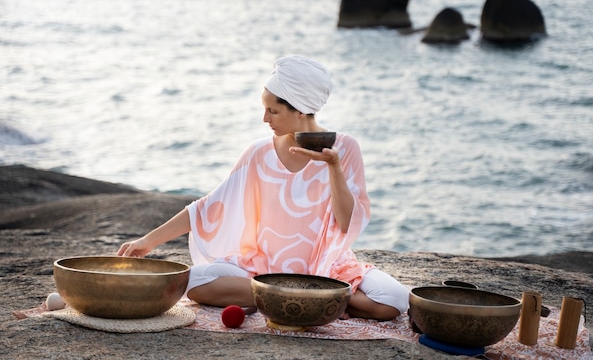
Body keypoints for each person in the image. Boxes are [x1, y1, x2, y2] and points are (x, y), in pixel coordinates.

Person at [117, 55, 409, 320]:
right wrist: (149, 241)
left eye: (273, 111)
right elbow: (207, 208)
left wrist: (333, 167)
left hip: (327, 270)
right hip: (262, 271)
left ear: (302, 111)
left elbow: (346, 222)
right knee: (192, 282)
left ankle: (297, 298)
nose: (265, 119)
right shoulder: (258, 153)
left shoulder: (344, 148)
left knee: (394, 301)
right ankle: (312, 302)